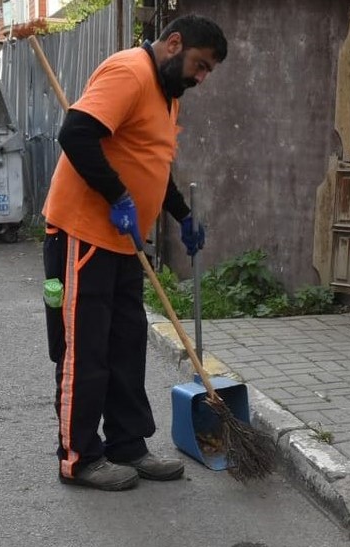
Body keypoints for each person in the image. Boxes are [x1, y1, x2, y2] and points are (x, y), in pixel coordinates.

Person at [41, 15, 228, 491]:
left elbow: (151, 161)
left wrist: (182, 214)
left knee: (126, 344)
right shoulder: (129, 72)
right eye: (200, 66)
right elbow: (76, 134)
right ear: (174, 43)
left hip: (124, 242)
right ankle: (79, 457)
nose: (201, 78)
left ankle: (127, 445)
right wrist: (118, 198)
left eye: (207, 72)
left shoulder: (167, 95)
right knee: (86, 349)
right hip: (84, 234)